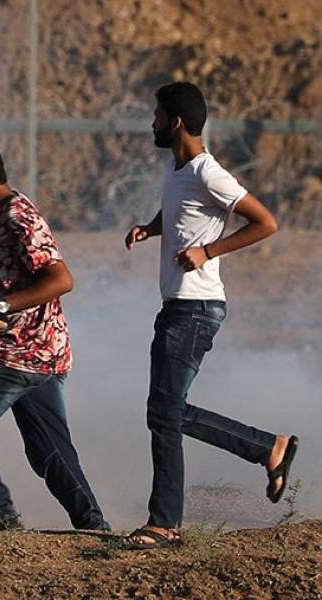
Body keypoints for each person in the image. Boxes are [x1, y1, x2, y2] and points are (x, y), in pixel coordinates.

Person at [123, 82, 297, 549]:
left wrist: (209, 251)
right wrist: (151, 228)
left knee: (163, 413)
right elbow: (179, 211)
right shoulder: (178, 168)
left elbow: (266, 222)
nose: (153, 124)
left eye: (157, 116)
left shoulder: (208, 172)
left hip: (195, 308)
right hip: (179, 306)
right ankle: (267, 449)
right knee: (167, 410)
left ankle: (164, 523)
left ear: (176, 122)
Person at [0, 140, 109, 532]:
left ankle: (5, 521)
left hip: (21, 353)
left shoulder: (18, 217)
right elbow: (14, 285)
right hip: (43, 351)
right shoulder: (0, 215)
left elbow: (61, 279)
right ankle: (93, 526)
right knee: (48, 449)